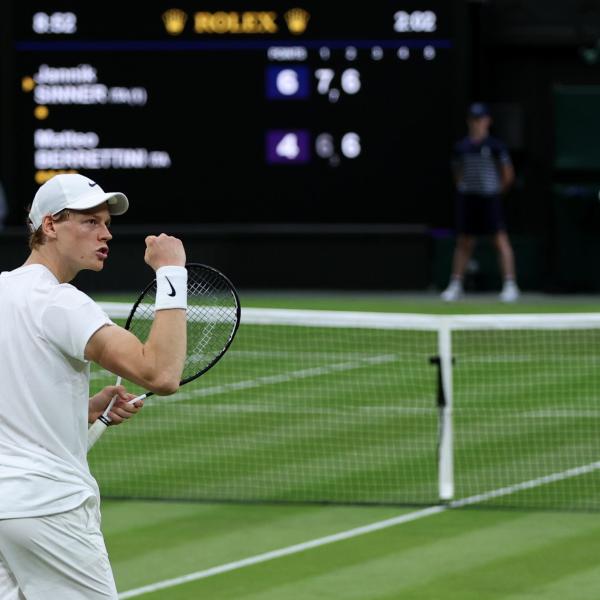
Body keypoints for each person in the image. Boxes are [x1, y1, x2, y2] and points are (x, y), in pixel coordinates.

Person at [0, 173, 188, 599]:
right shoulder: (60, 301)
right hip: (48, 508)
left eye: (106, 223)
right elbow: (161, 373)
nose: (105, 234)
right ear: (49, 226)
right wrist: (172, 272)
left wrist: (83, 408)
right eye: (89, 222)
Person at [440, 102, 520, 302]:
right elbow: (457, 173)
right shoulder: (461, 147)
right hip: (468, 199)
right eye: (473, 119)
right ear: (469, 121)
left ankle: (510, 285)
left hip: (490, 199)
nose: (477, 123)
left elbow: (508, 173)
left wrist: (496, 191)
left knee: (500, 241)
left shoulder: (495, 146)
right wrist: (465, 187)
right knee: (464, 242)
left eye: (480, 119)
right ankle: (456, 285)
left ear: (487, 121)